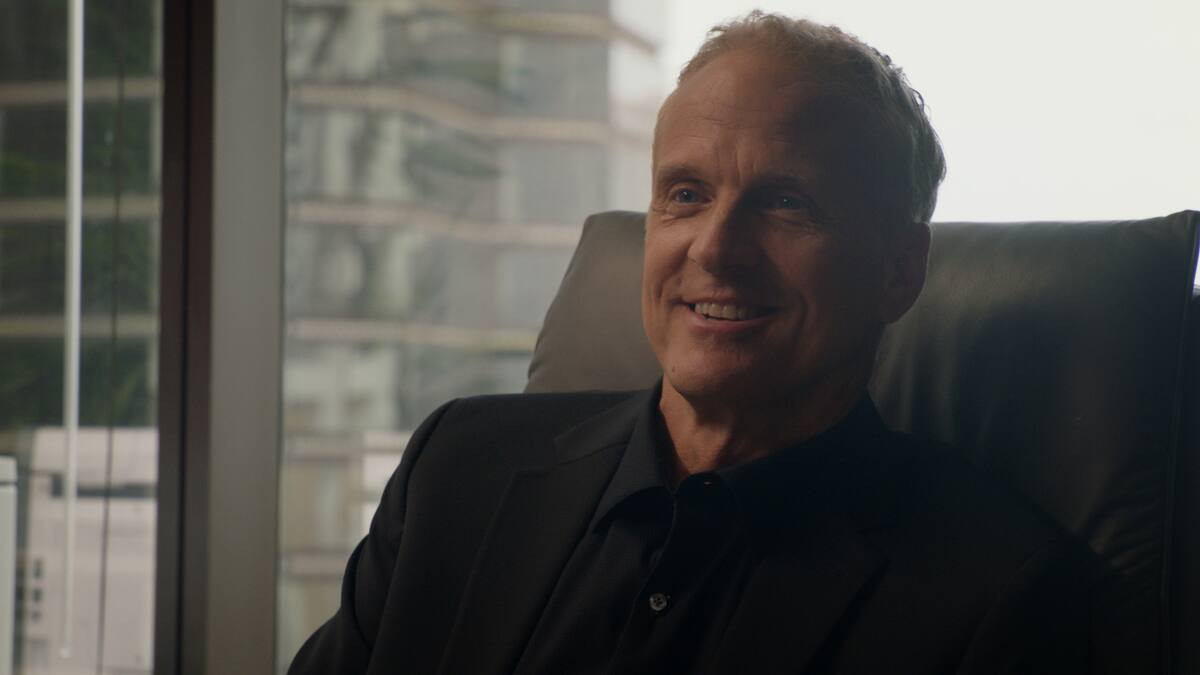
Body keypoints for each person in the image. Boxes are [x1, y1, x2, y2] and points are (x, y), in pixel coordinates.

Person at [289, 11, 1096, 674]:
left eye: (786, 202)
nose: (715, 247)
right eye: (685, 193)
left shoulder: (1001, 596)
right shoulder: (455, 469)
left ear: (899, 269)